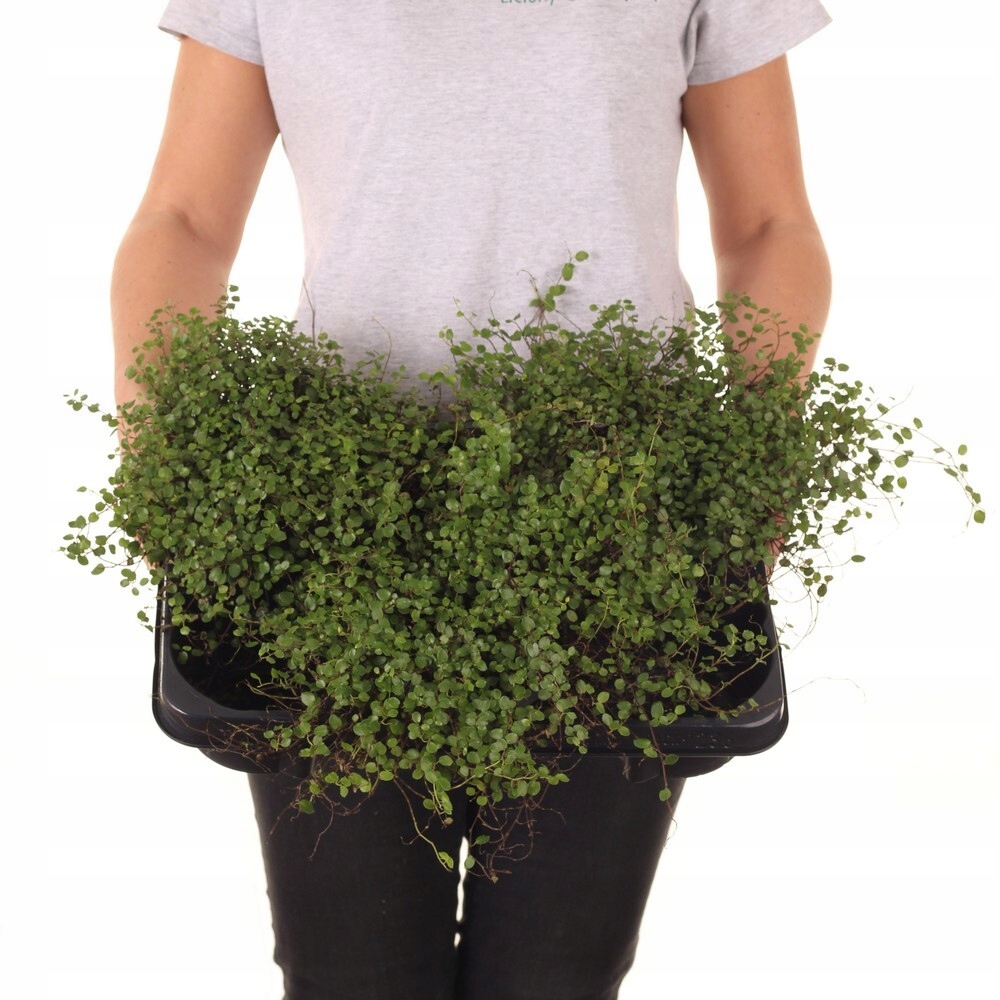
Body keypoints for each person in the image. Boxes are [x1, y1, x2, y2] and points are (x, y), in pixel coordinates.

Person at [111, 2, 832, 998]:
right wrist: (159, 448)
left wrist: (756, 458)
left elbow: (767, 225)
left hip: (620, 525)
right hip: (339, 536)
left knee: (556, 973)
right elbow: (185, 219)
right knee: (352, 974)